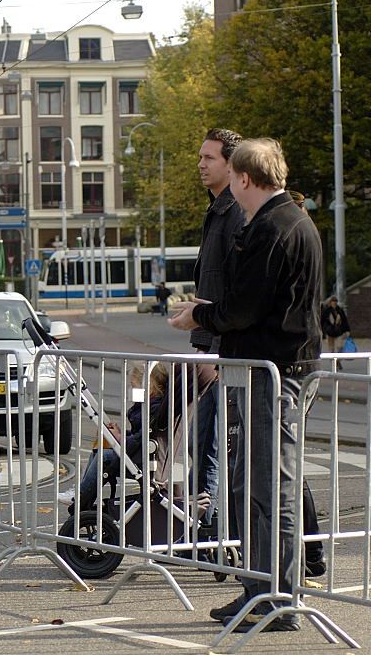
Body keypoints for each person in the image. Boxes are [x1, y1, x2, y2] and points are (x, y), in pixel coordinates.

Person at [170, 138, 322, 633]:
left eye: (233, 175)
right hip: (273, 369)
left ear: (244, 179)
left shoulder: (272, 227)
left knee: (266, 490)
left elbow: (242, 308)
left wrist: (199, 313)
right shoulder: (290, 220)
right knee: (258, 485)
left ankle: (272, 596)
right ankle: (265, 592)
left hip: (271, 372)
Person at [190, 128, 244, 523]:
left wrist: (214, 347)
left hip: (226, 351)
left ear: (231, 164)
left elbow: (237, 290)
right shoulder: (217, 210)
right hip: (213, 346)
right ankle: (207, 527)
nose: (201, 165)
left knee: (214, 443)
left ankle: (211, 529)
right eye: (200, 157)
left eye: (209, 158)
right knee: (205, 440)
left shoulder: (235, 213)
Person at [58, 364, 168, 508]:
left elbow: (139, 440)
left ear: (149, 387)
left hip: (141, 458)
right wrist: (120, 434)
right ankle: (83, 493)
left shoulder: (152, 409)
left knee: (103, 457)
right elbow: (140, 436)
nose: (131, 391)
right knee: (99, 451)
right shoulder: (148, 406)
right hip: (139, 452)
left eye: (133, 386)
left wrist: (119, 438)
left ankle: (80, 496)